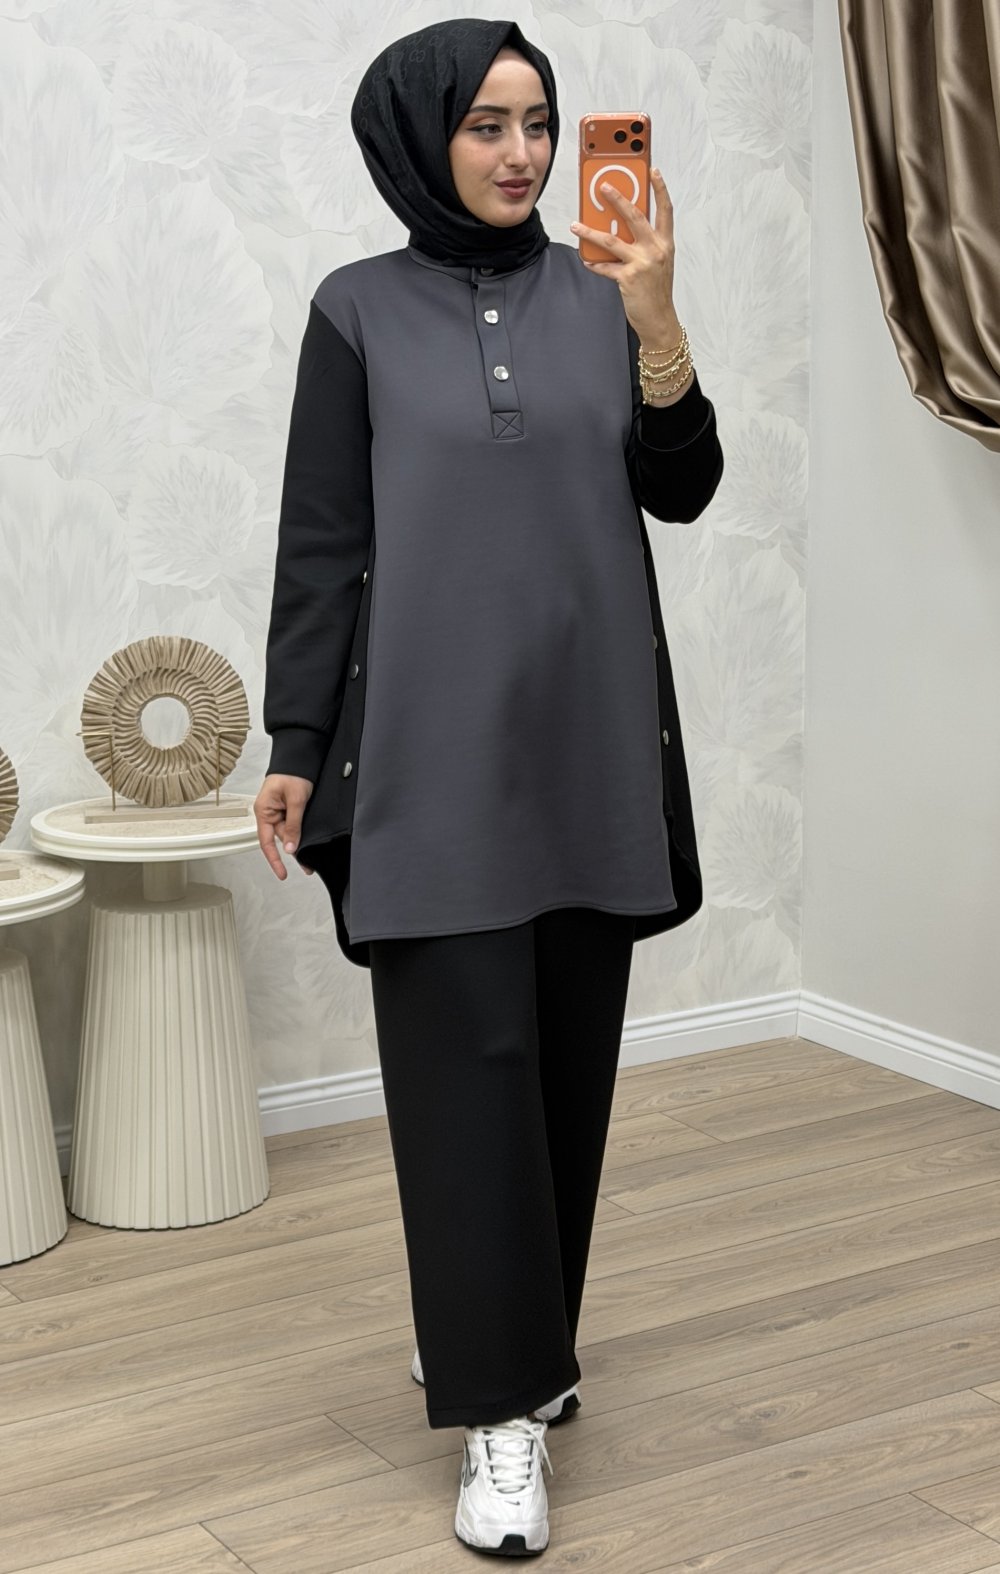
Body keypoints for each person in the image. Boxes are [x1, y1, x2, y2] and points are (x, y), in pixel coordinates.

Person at [254, 17, 723, 1559]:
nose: (523, 153)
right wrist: (297, 741)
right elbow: (325, 542)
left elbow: (684, 486)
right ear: (420, 137)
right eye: (486, 125)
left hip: (590, 752)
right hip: (429, 765)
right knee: (466, 1076)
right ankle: (501, 1413)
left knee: (566, 1074)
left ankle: (511, 1340)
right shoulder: (356, 311)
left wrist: (657, 317)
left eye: (539, 122)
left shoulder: (603, 292)